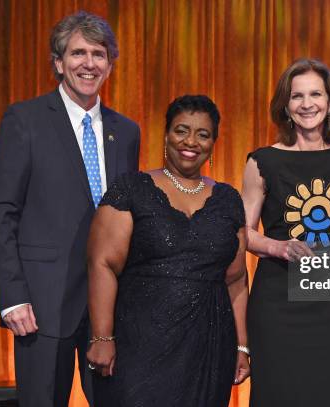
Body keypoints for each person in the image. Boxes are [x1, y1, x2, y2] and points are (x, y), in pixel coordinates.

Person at [0, 11, 140, 406]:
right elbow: (1, 212)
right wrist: (11, 296)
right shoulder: (24, 120)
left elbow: (127, 219)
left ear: (109, 65)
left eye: (99, 54)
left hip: (108, 310)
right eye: (78, 53)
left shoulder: (126, 132)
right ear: (59, 62)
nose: (89, 63)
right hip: (40, 305)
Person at [86, 95, 250, 406]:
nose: (191, 141)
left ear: (214, 142)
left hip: (208, 346)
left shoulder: (228, 199)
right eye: (181, 130)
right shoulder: (132, 188)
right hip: (140, 344)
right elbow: (102, 263)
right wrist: (102, 337)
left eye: (203, 134)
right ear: (166, 134)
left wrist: (241, 346)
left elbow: (237, 280)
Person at [241, 59, 330, 406]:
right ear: (285, 105)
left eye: (315, 94)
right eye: (297, 96)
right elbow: (242, 233)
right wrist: (279, 248)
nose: (307, 104)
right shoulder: (262, 160)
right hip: (279, 305)